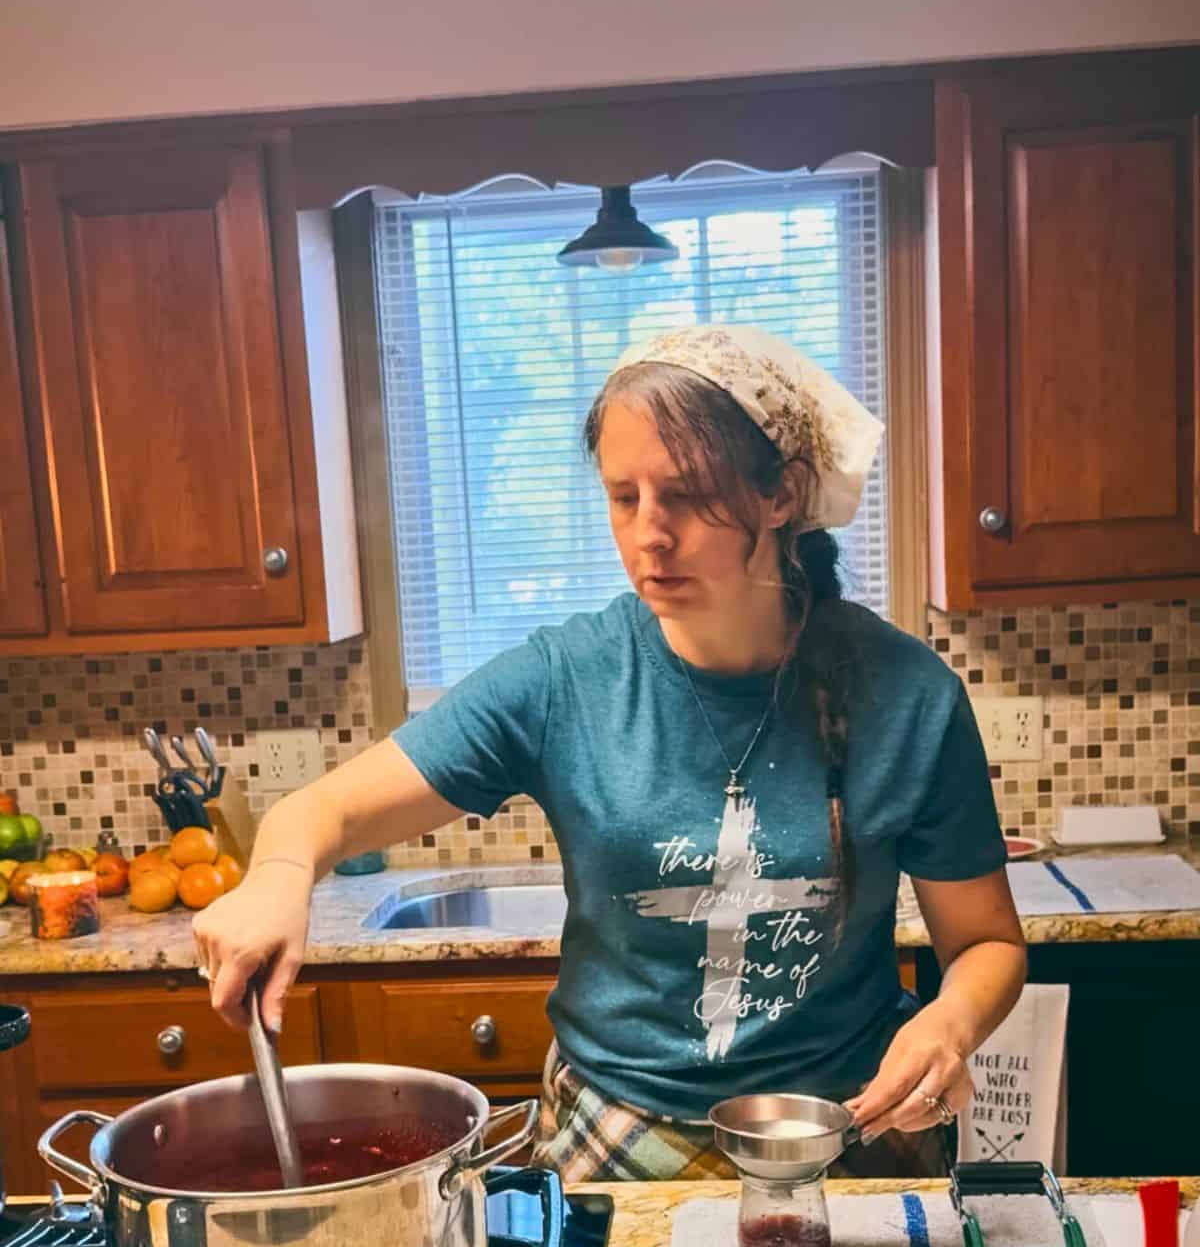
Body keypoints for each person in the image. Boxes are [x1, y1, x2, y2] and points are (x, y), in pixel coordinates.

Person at [194, 324, 1026, 1181]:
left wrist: (949, 1023)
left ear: (782, 493)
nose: (648, 534)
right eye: (623, 497)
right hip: (620, 1131)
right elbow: (319, 813)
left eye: (687, 495)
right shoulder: (565, 679)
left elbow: (987, 943)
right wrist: (278, 877)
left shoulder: (909, 696)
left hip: (850, 1121)